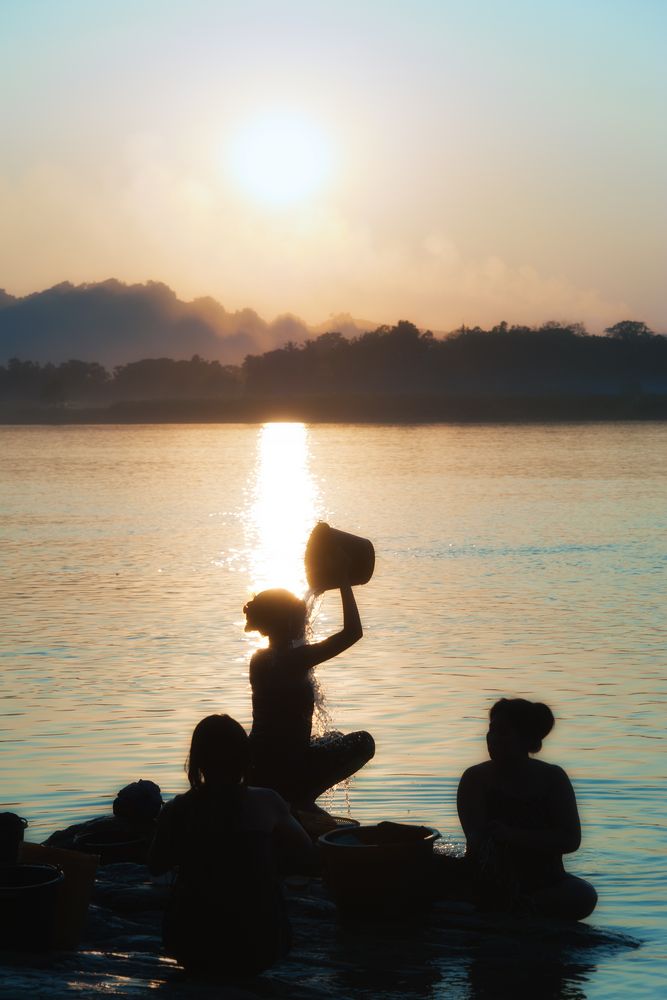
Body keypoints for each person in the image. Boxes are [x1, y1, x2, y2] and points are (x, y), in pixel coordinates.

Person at [148, 714, 313, 977]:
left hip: (192, 945)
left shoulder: (176, 809)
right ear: (245, 758)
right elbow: (307, 854)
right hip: (260, 946)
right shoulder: (268, 801)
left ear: (198, 761)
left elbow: (156, 865)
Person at [244, 569, 375, 810]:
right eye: (299, 617)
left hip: (259, 763)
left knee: (332, 737)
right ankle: (299, 800)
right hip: (289, 767)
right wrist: (344, 579)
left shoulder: (260, 659)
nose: (305, 621)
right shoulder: (295, 659)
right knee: (363, 742)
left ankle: (298, 800)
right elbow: (353, 633)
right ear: (290, 622)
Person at [456, 698, 597, 920]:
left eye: (503, 733)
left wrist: (513, 836)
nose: (493, 740)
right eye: (491, 731)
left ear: (526, 740)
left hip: (546, 881)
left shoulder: (553, 778)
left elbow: (571, 839)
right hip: (491, 880)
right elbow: (476, 840)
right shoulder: (475, 779)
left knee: (584, 895)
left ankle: (526, 906)